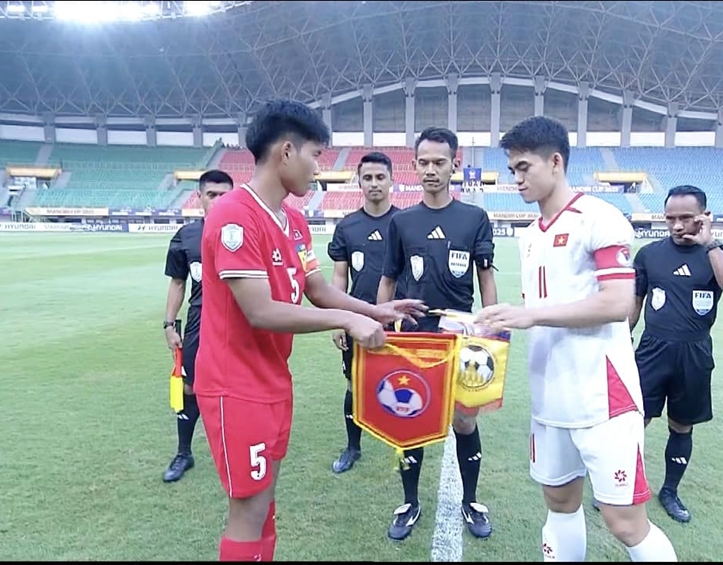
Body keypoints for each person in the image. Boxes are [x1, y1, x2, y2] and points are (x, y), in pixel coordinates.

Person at [194, 99, 426, 562]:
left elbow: (317, 289)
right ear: (286, 151)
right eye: (315, 155)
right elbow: (261, 311)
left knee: (265, 504)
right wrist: (348, 321)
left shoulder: (294, 221)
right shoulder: (234, 215)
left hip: (273, 379)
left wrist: (375, 311)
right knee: (248, 510)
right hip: (234, 385)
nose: (318, 168)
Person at [475, 116, 678, 562]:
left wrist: (531, 315)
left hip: (602, 398)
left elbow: (617, 303)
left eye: (524, 167)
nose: (516, 178)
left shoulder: (599, 218)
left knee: (625, 523)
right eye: (512, 170)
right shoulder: (530, 235)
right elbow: (541, 308)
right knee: (560, 504)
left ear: (555, 162)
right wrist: (499, 321)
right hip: (550, 397)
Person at [376, 126, 499, 541]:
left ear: (454, 165)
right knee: (410, 418)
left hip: (461, 338)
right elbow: (389, 279)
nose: (431, 169)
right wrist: (380, 323)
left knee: (465, 421)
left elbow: (485, 276)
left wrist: (490, 327)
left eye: (439, 162)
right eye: (424, 162)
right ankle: (409, 502)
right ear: (414, 166)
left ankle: (471, 500)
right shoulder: (401, 221)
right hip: (414, 338)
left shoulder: (474, 218)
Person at [630, 184, 723, 523]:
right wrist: (621, 339)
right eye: (670, 218)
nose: (677, 225)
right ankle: (625, 486)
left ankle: (670, 491)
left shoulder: (721, 253)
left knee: (682, 425)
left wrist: (709, 243)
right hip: (652, 349)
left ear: (705, 216)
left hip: (695, 352)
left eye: (686, 218)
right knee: (634, 422)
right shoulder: (649, 254)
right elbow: (634, 304)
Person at [327, 151, 408, 474]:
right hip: (357, 320)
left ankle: (404, 442)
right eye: (368, 178)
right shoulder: (347, 226)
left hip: (400, 322)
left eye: (380, 177)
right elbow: (339, 277)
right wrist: (337, 319)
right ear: (359, 182)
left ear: (391, 181)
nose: (374, 183)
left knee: (404, 381)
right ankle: (353, 447)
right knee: (354, 384)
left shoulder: (406, 222)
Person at [161, 169, 234, 483]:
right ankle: (184, 453)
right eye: (211, 195)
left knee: (239, 386)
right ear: (200, 198)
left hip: (241, 323)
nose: (217, 201)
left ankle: (238, 448)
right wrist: (169, 324)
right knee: (190, 386)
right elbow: (178, 282)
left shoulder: (245, 230)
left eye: (224, 195)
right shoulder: (187, 235)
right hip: (199, 322)